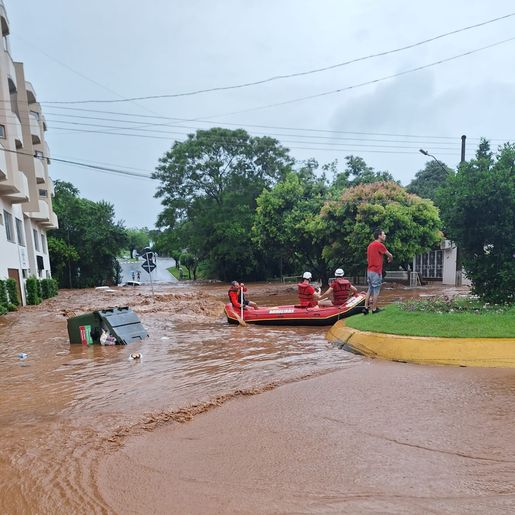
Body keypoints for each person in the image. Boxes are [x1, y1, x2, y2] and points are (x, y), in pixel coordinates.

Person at [364, 228, 393, 314]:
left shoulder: (370, 245)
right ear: (379, 236)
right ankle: (374, 309)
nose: (385, 236)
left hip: (369, 271)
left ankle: (365, 308)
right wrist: (390, 258)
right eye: (383, 234)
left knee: (370, 289)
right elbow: (390, 255)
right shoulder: (379, 245)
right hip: (376, 271)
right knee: (376, 290)